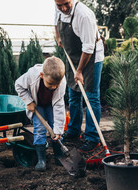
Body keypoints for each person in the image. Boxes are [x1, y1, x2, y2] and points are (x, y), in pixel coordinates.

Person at [54, 0, 104, 153]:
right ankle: (74, 130)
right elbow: (56, 22)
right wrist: (58, 37)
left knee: (91, 96)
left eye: (66, 4)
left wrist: (80, 70)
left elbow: (89, 47)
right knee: (73, 94)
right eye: (59, 5)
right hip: (73, 56)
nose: (63, 8)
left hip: (90, 57)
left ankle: (92, 138)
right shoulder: (58, 7)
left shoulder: (84, 15)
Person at [15, 56, 66, 171]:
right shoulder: (32, 75)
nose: (53, 87)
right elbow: (18, 85)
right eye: (50, 84)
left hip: (51, 104)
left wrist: (58, 130)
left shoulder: (61, 83)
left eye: (56, 85)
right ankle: (41, 159)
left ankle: (59, 155)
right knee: (39, 128)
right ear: (42, 75)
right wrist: (29, 101)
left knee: (55, 127)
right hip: (37, 105)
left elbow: (59, 107)